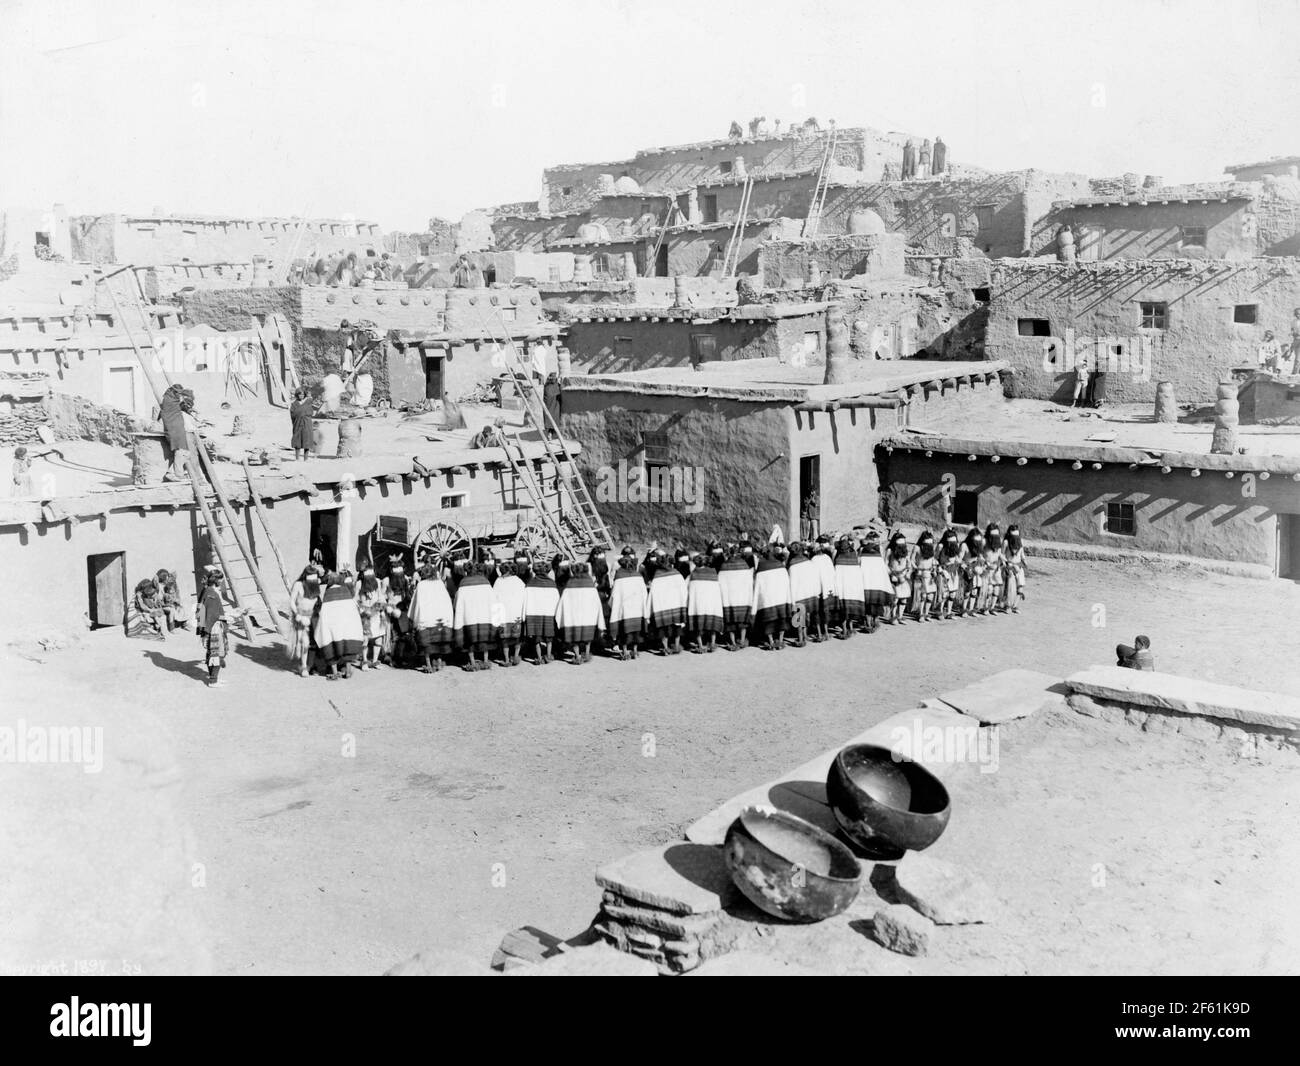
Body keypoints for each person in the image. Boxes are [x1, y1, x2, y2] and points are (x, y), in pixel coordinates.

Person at [314, 571, 365, 680]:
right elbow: (351, 609)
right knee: (347, 646)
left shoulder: (328, 593)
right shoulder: (346, 590)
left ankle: (335, 672)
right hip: (346, 624)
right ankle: (348, 671)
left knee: (331, 646)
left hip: (332, 626)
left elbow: (325, 610)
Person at [556, 560, 605, 664]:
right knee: (588, 636)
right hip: (588, 615)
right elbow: (596, 601)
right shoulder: (590, 583)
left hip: (573, 616)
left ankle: (577, 656)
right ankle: (587, 654)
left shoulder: (570, 583)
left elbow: (564, 601)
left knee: (574, 638)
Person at [409, 563, 455, 672]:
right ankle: (439, 661)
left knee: (427, 644)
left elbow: (418, 602)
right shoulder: (440, 583)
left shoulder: (421, 585)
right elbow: (446, 600)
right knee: (439, 642)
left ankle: (428, 663)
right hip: (440, 618)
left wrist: (414, 616)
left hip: (426, 617)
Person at [453, 562, 496, 671]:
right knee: (484, 640)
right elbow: (493, 599)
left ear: (466, 571)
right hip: (484, 615)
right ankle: (486, 661)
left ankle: (472, 662)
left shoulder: (463, 583)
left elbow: (457, 601)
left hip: (469, 616)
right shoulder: (486, 582)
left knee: (469, 641)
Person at [646, 550, 688, 655]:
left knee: (663, 629)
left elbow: (653, 592)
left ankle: (665, 648)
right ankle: (677, 645)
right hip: (676, 604)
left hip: (662, 605)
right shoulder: (677, 574)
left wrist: (650, 608)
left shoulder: (657, 576)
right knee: (677, 627)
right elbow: (683, 590)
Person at [751, 546, 792, 651]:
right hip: (781, 597)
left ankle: (771, 641)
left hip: (767, 599)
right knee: (781, 620)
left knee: (768, 622)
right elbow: (786, 582)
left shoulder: (761, 568)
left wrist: (756, 601)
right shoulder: (781, 566)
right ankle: (781, 640)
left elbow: (758, 586)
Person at [609, 553, 649, 659]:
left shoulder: (618, 577)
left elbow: (614, 595)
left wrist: (612, 605)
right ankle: (635, 651)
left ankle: (625, 651)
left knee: (623, 632)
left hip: (624, 608)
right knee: (636, 631)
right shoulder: (638, 576)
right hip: (637, 608)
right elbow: (644, 593)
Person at [197, 571, 230, 687]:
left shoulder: (206, 591)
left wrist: (202, 630)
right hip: (213, 627)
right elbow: (211, 615)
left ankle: (213, 678)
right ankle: (213, 681)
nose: (221, 581)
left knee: (212, 653)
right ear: (216, 580)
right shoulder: (212, 595)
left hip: (209, 627)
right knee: (216, 654)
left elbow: (201, 611)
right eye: (220, 579)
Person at [718, 545, 754, 651]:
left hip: (729, 598)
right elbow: (749, 581)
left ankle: (733, 642)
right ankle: (742, 640)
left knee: (730, 622)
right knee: (743, 621)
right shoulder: (744, 565)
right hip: (742, 597)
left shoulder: (724, 566)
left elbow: (721, 581)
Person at [288, 565, 322, 677]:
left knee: (314, 641)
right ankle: (303, 667)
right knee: (304, 643)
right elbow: (292, 601)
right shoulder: (298, 585)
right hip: (301, 617)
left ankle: (311, 665)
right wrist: (297, 614)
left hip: (313, 616)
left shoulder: (316, 584)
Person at [523, 562, 560, 664]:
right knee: (549, 636)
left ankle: (538, 657)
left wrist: (524, 615)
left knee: (536, 637)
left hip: (534, 613)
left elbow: (525, 600)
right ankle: (548, 655)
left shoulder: (530, 584)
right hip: (549, 613)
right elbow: (557, 600)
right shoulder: (552, 584)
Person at [686, 553, 724, 653]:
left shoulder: (693, 574)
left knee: (698, 626)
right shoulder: (713, 572)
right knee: (712, 625)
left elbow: (688, 588)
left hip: (698, 604)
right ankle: (712, 643)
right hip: (711, 602)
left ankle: (700, 645)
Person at [492, 560, 527, 667]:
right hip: (516, 613)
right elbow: (524, 598)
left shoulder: (498, 581)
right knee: (517, 638)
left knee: (504, 639)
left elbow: (494, 598)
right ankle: (516, 656)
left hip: (503, 614)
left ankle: (506, 659)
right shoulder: (520, 582)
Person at [159, 384, 197, 482]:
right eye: (178, 393)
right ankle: (178, 474)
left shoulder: (169, 400)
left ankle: (171, 473)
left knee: (185, 452)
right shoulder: (171, 402)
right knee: (182, 451)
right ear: (174, 392)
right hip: (174, 430)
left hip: (175, 429)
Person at [858, 530, 893, 633]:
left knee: (868, 601)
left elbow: (859, 562)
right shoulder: (879, 549)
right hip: (876, 579)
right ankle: (873, 621)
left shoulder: (862, 549)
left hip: (867, 579)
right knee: (876, 600)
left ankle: (869, 622)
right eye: (876, 540)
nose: (878, 542)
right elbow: (882, 562)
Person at [355, 564, 389, 670]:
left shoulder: (377, 583)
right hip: (364, 614)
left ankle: (375, 661)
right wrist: (361, 609)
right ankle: (364, 661)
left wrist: (381, 608)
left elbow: (381, 597)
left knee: (378, 638)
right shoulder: (359, 584)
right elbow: (355, 599)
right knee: (365, 639)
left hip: (376, 613)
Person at [785, 542, 819, 648]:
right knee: (807, 614)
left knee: (799, 616)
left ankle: (800, 638)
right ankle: (805, 634)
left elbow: (792, 581)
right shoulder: (809, 561)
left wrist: (791, 597)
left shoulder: (792, 565)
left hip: (799, 593)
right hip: (810, 591)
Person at [809, 535, 836, 642]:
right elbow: (832, 573)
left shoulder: (813, 560)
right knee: (825, 611)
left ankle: (819, 633)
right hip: (827, 589)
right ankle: (826, 632)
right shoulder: (828, 559)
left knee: (817, 612)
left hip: (817, 590)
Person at [935, 528, 964, 620]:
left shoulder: (956, 545)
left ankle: (949, 612)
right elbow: (935, 558)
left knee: (953, 594)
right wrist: (939, 568)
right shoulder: (940, 546)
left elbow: (958, 558)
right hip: (944, 571)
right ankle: (940, 611)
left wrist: (959, 561)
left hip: (954, 571)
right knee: (944, 594)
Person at [910, 531, 938, 622]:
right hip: (920, 574)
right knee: (923, 595)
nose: (929, 544)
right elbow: (912, 560)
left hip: (929, 574)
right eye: (928, 542)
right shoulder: (917, 548)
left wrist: (934, 568)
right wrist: (916, 568)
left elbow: (933, 560)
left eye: (931, 542)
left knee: (930, 596)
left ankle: (926, 613)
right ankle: (920, 613)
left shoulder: (931, 548)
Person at [885, 533, 912, 625]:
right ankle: (893, 617)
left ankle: (900, 616)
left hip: (903, 577)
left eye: (902, 543)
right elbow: (885, 564)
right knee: (895, 599)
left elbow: (909, 564)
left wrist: (907, 572)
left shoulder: (906, 552)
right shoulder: (890, 551)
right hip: (893, 578)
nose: (901, 546)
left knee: (903, 599)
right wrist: (891, 574)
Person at [960, 527, 986, 616]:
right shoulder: (964, 545)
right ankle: (964, 609)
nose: (977, 543)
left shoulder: (979, 545)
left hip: (976, 569)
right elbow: (959, 559)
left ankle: (971, 610)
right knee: (967, 591)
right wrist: (964, 566)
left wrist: (982, 561)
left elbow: (980, 556)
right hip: (967, 570)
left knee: (974, 591)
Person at [982, 523, 1006, 614]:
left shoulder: (998, 542)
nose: (994, 537)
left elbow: (999, 554)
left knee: (996, 589)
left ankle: (992, 607)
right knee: (989, 589)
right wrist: (985, 562)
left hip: (996, 569)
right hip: (987, 569)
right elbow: (979, 554)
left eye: (996, 534)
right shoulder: (984, 541)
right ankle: (985, 607)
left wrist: (1004, 561)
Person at [290, 388, 317, 462]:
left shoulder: (308, 403)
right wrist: (299, 414)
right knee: (297, 440)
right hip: (297, 423)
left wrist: (303, 413)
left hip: (307, 423)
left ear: (304, 395)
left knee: (307, 440)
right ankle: (297, 458)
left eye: (302, 394)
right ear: (297, 395)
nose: (301, 396)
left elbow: (310, 412)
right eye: (299, 394)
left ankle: (306, 458)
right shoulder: (294, 404)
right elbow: (292, 414)